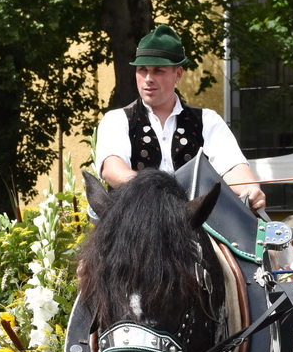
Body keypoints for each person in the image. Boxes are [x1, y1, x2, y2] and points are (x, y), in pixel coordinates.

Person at [94, 25, 266, 212]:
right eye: (142, 69)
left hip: (194, 226)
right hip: (135, 221)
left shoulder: (207, 120)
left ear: (178, 74)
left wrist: (251, 189)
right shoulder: (117, 120)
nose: (148, 78)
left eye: (158, 70)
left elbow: (233, 168)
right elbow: (112, 170)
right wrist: (157, 190)